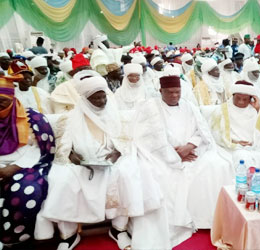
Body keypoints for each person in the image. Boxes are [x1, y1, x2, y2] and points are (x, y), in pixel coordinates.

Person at [36, 73, 169, 250]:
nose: (101, 101)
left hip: (112, 160)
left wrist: (117, 153)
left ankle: (118, 229)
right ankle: (68, 235)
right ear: (85, 98)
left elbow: (127, 140)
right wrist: (71, 155)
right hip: (81, 163)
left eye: (103, 96)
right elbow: (63, 146)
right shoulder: (69, 118)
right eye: (95, 97)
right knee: (63, 180)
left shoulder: (116, 114)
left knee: (128, 173)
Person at [132, 75, 233, 238]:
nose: (174, 96)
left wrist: (190, 146)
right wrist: (174, 155)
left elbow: (202, 131)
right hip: (162, 156)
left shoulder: (189, 106)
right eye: (170, 92)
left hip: (193, 152)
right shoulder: (151, 108)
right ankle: (179, 220)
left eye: (177, 92)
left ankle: (207, 220)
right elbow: (148, 138)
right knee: (162, 175)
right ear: (161, 91)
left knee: (218, 166)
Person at [0, 75, 55, 246]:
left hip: (28, 164)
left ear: (12, 97)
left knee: (27, 190)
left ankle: (14, 237)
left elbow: (40, 148)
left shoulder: (32, 117)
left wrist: (13, 168)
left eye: (3, 100)